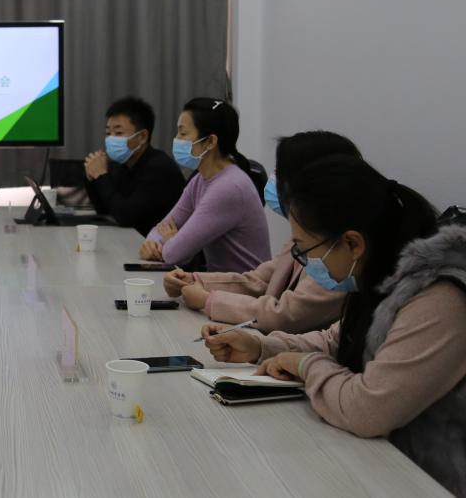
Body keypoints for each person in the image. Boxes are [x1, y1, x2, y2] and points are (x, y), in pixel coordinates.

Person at [200, 156, 466, 497]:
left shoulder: (440, 299)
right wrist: (262, 347)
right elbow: (338, 340)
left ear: (352, 243)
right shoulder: (378, 274)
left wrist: (306, 366)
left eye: (305, 250)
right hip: (382, 462)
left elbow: (368, 409)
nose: (304, 262)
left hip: (431, 480)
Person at [164, 131, 360, 333]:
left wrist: (208, 300)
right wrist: (195, 280)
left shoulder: (339, 255)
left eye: (281, 172)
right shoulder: (306, 235)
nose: (275, 178)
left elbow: (285, 315)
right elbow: (259, 281)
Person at [140, 97, 270, 271]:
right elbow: (159, 230)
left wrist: (171, 242)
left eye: (183, 134)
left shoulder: (229, 187)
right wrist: (155, 243)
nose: (177, 139)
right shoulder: (200, 180)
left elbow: (175, 253)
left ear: (210, 142)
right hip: (217, 282)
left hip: (244, 286)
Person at [82, 96, 185, 236]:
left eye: (119, 133)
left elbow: (126, 217)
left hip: (161, 244)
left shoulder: (159, 168)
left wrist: (101, 176)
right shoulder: (123, 164)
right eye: (108, 133)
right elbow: (105, 209)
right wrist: (92, 178)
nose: (111, 139)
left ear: (142, 137)